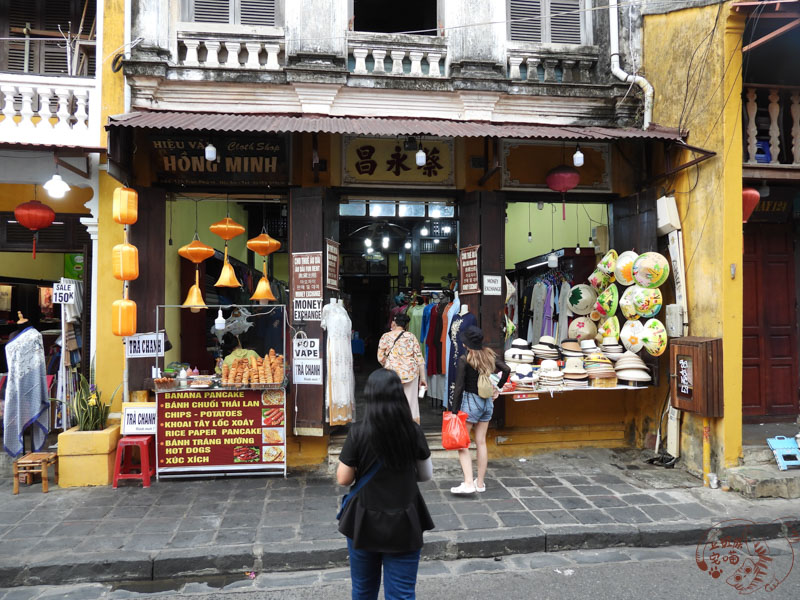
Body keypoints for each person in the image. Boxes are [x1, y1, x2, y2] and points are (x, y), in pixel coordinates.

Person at [337, 368, 434, 599]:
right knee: (401, 593)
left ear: (369, 396)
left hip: (363, 520)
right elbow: (425, 475)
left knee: (363, 591)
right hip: (405, 521)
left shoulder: (358, 431)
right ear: (399, 395)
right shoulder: (413, 431)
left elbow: (343, 478)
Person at [449, 325, 510, 495]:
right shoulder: (489, 354)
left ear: (467, 343)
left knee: (462, 443)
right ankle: (480, 483)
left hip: (470, 402)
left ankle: (468, 483)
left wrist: (454, 412)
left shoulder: (465, 359)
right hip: (487, 403)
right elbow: (506, 369)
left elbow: (459, 387)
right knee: (481, 442)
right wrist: (498, 387)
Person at [377, 313, 427, 424]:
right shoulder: (411, 337)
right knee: (411, 402)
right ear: (406, 325)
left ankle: (393, 427)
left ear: (394, 323)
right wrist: (423, 378)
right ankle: (412, 428)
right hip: (411, 373)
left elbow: (380, 357)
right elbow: (419, 358)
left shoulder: (385, 336)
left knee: (392, 400)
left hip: (392, 374)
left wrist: (389, 364)